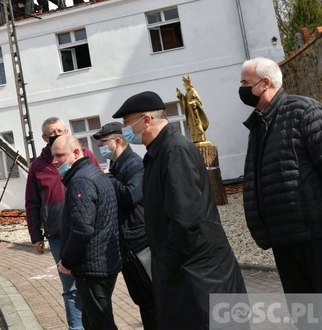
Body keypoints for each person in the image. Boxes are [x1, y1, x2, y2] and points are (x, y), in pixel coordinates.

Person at [112, 91, 246, 329]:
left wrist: (166, 263)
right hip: (186, 272)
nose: (124, 129)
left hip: (200, 275)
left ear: (146, 120)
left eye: (127, 122)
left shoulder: (174, 151)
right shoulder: (159, 152)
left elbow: (186, 219)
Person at [240, 57, 322, 293]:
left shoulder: (304, 112)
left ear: (264, 84)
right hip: (283, 240)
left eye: (245, 82)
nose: (241, 88)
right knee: (305, 315)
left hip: (313, 238)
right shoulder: (259, 125)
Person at [25, 117, 99, 329]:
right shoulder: (38, 166)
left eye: (60, 130)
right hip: (58, 235)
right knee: (71, 287)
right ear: (44, 138)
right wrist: (36, 235)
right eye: (52, 133)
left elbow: (101, 186)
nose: (57, 135)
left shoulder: (84, 155)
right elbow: (32, 202)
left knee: (94, 283)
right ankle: (76, 327)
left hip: (89, 230)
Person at [52, 134, 121, 330]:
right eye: (53, 156)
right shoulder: (93, 172)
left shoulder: (81, 180)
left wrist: (67, 261)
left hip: (92, 267)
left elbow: (82, 229)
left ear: (75, 153)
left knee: (100, 323)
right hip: (102, 262)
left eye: (59, 155)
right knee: (92, 322)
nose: (54, 161)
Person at [93, 122, 156, 329]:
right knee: (142, 300)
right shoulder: (117, 165)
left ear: (118, 141)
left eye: (103, 142)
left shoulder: (133, 164)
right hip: (126, 246)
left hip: (140, 244)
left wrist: (108, 179)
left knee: (153, 300)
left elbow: (131, 195)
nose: (100, 147)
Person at [176, 75, 210, 143]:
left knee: (197, 125)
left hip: (194, 113)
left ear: (188, 83)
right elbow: (185, 101)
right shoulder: (188, 92)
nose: (184, 85)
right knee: (192, 127)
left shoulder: (193, 91)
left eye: (185, 83)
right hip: (190, 114)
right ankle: (195, 139)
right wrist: (180, 96)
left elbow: (199, 101)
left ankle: (201, 138)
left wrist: (194, 102)